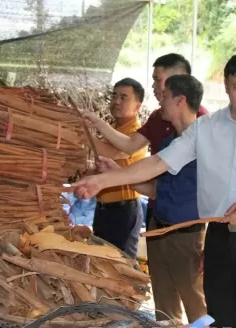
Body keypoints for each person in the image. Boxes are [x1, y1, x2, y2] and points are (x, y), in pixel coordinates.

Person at [72, 52, 236, 328]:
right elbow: (157, 163)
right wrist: (106, 180)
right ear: (226, 86)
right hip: (219, 235)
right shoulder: (206, 128)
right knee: (224, 326)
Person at [97, 74, 212, 328]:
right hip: (160, 230)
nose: (159, 99)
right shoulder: (172, 140)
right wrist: (115, 172)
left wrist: (113, 176)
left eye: (164, 93)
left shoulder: (208, 139)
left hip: (189, 236)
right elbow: (156, 188)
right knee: (165, 311)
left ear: (180, 100)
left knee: (198, 311)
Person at [84, 53, 209, 228]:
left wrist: (103, 179)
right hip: (156, 207)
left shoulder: (202, 125)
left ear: (179, 80)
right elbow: (130, 146)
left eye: (158, 80)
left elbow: (155, 162)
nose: (153, 86)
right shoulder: (158, 117)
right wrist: (97, 124)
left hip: (184, 222)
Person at [91, 77, 148, 259]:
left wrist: (82, 134)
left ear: (137, 106)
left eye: (124, 98)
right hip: (103, 208)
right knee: (101, 262)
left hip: (123, 211)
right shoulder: (112, 130)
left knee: (122, 266)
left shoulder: (137, 134)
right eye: (114, 96)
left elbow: (113, 152)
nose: (116, 101)